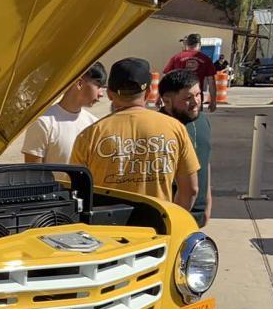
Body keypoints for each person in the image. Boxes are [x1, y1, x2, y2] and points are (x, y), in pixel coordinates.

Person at [70, 57, 199, 211]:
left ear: (110, 94)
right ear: (149, 92)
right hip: (157, 223)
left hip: (105, 224)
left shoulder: (90, 135)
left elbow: (75, 191)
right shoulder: (175, 128)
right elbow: (191, 190)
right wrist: (173, 220)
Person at [6, 62, 106, 165]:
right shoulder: (43, 122)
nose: (101, 94)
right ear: (79, 83)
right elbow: (33, 171)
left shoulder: (94, 125)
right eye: (98, 86)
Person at [159, 68, 213, 226]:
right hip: (171, 217)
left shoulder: (202, 121)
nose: (196, 102)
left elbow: (205, 160)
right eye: (188, 98)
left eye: (198, 94)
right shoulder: (158, 127)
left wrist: (208, 202)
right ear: (167, 101)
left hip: (198, 215)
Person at [162, 34, 217, 110]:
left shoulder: (177, 57)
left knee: (178, 117)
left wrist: (160, 96)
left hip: (178, 98)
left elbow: (165, 78)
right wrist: (213, 101)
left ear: (187, 44)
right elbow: (211, 82)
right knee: (195, 117)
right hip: (196, 99)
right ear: (199, 45)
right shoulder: (206, 59)